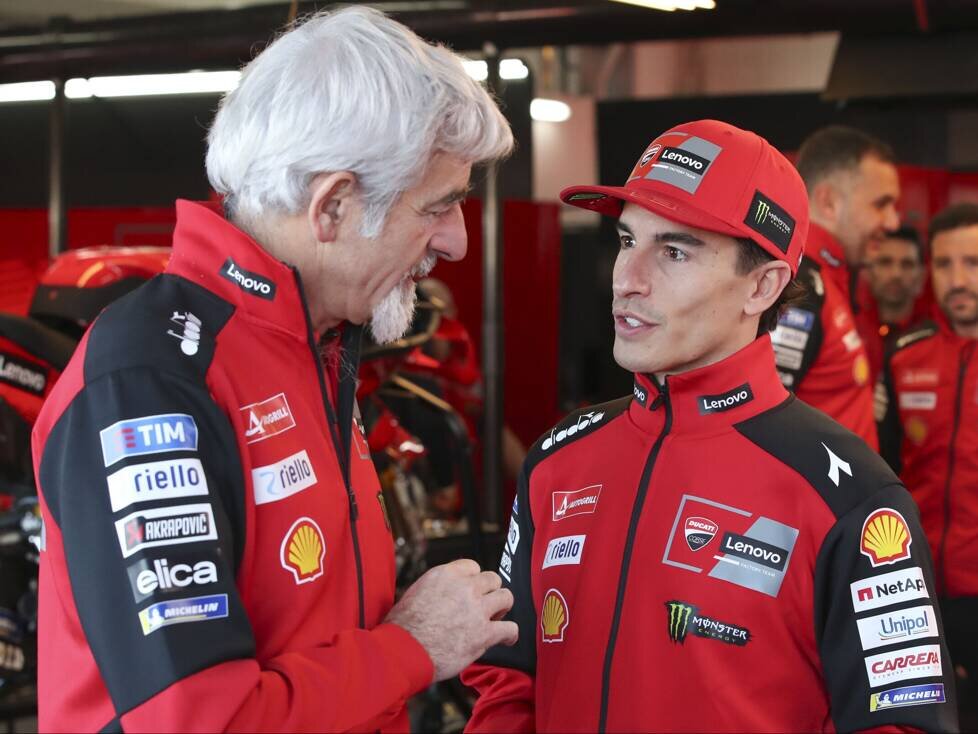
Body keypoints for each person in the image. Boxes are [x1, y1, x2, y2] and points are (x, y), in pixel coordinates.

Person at [31, 8, 517, 732]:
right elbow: (204, 723)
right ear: (333, 206)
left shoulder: (317, 344)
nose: (455, 241)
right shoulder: (151, 381)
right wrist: (411, 647)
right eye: (438, 206)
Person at [462, 119, 957, 732]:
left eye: (674, 252)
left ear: (763, 286)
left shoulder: (852, 497)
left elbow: (902, 721)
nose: (627, 279)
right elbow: (510, 676)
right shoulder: (556, 461)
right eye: (627, 240)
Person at [877, 202, 978, 727]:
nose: (957, 280)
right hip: (919, 591)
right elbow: (884, 470)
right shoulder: (903, 355)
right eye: (944, 264)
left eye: (972, 263)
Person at [774, 126, 901, 450]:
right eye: (881, 204)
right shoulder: (801, 286)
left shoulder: (829, 280)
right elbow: (760, 424)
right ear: (829, 202)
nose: (893, 222)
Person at [858, 227, 926, 383]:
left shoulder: (933, 340)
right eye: (885, 262)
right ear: (868, 271)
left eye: (907, 264)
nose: (896, 274)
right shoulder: (850, 332)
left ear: (922, 276)